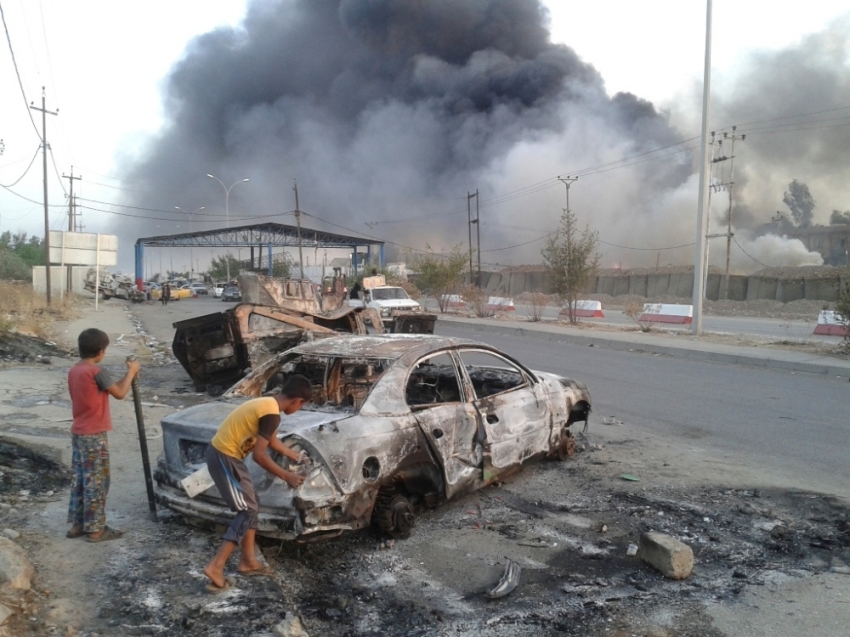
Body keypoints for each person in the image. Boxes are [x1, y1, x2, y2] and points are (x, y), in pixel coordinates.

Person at [202, 375, 313, 592]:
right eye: (303, 405)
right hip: (224, 457)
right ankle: (216, 566)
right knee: (247, 511)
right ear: (298, 401)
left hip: (228, 457)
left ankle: (248, 560)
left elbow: (272, 441)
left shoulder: (268, 405)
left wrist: (294, 455)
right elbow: (259, 456)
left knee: (252, 503)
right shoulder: (272, 415)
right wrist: (286, 476)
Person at [66, 328, 140, 542]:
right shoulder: (96, 372)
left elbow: (106, 388)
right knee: (97, 482)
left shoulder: (74, 370)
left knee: (80, 480)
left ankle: (78, 525)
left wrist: (124, 376)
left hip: (79, 433)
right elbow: (119, 393)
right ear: (100, 352)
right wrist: (132, 371)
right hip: (94, 435)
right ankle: (96, 529)